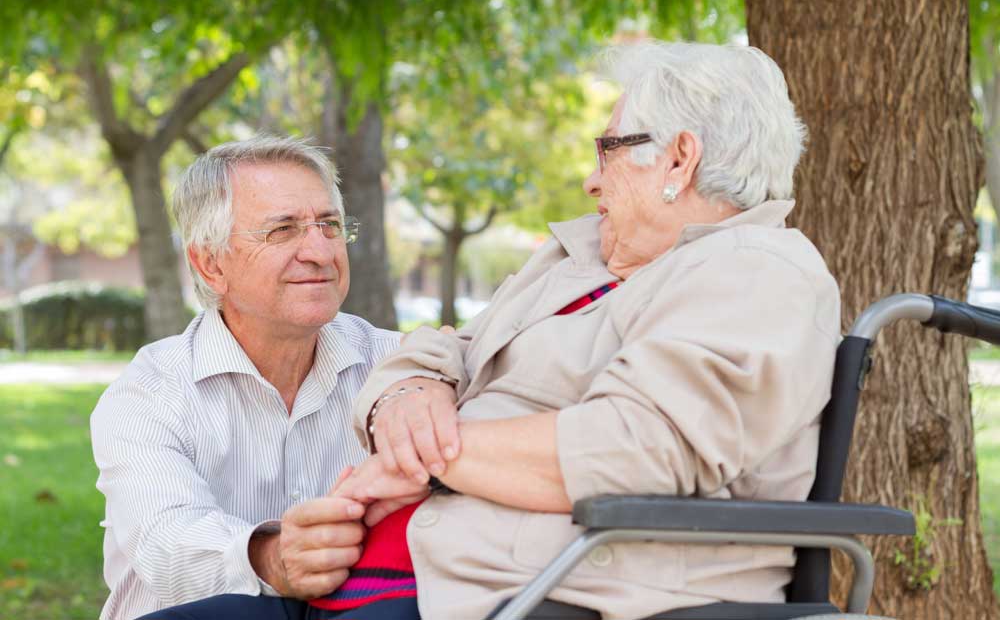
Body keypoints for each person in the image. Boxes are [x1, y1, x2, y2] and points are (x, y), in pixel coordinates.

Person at [154, 39, 840, 620]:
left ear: (679, 158)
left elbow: (632, 451)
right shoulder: (582, 260)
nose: (590, 181)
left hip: (538, 593)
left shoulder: (754, 272)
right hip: (411, 579)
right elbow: (445, 345)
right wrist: (408, 398)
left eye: (608, 148)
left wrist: (419, 460)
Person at [90, 136, 401, 620]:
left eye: (329, 225)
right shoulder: (150, 392)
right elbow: (167, 547)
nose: (319, 250)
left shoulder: (398, 364)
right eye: (282, 230)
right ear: (211, 264)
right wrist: (273, 559)